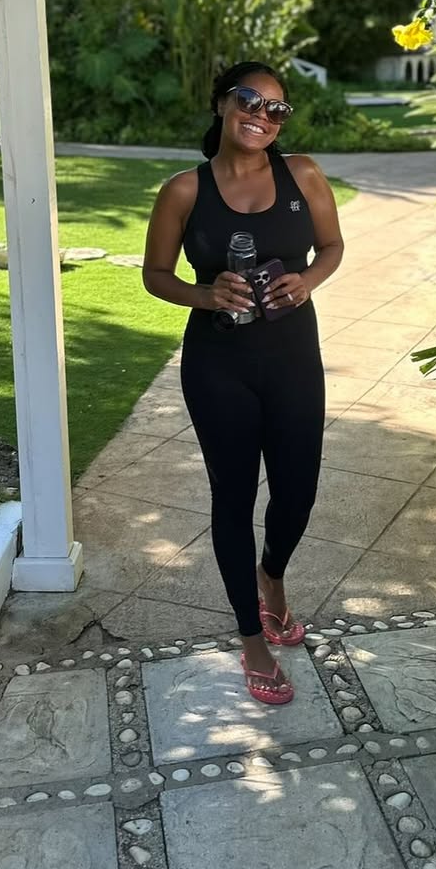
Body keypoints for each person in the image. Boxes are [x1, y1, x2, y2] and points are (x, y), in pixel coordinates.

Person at [142, 61, 345, 704]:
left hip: (292, 359)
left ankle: (272, 578)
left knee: (299, 491)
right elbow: (155, 274)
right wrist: (205, 293)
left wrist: (306, 281)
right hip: (218, 364)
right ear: (222, 104)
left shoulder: (302, 174)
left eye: (277, 107)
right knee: (232, 499)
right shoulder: (183, 191)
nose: (263, 114)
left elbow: (332, 246)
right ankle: (251, 638)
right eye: (251, 99)